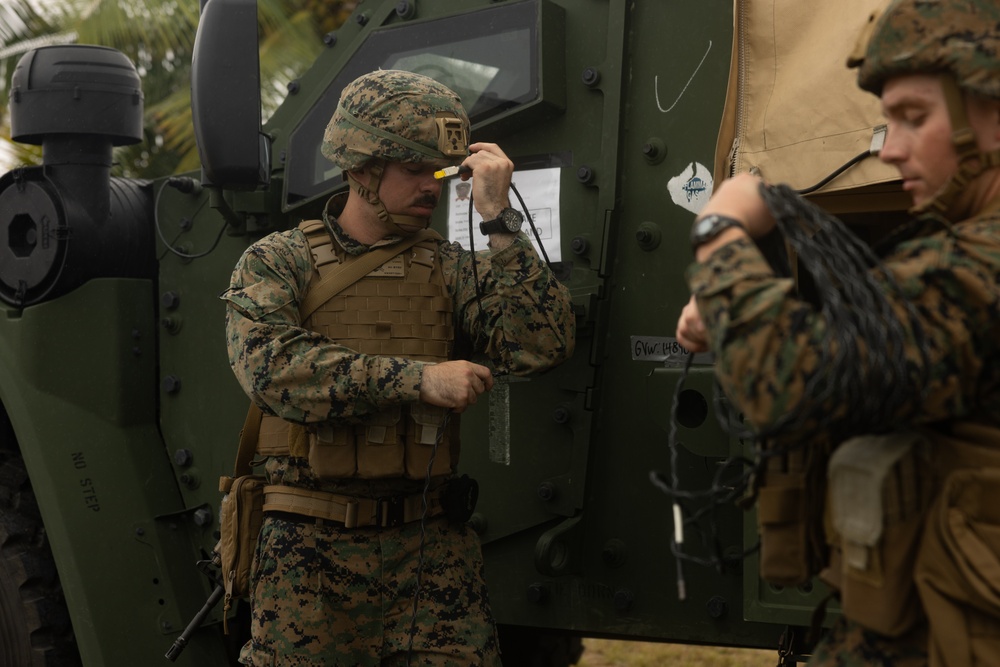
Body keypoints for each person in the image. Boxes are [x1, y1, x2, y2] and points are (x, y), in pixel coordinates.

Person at [675, 0, 1000, 664]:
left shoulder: (977, 266)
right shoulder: (957, 255)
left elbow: (792, 382)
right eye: (886, 121)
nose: (891, 147)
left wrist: (720, 229)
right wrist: (739, 311)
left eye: (915, 117)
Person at [222, 69, 576, 666]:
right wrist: (420, 379)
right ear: (360, 169)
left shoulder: (450, 268)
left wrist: (498, 221)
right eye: (413, 169)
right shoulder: (278, 261)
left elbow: (541, 343)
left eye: (439, 169)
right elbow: (272, 369)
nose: (432, 186)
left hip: (431, 555)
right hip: (309, 560)